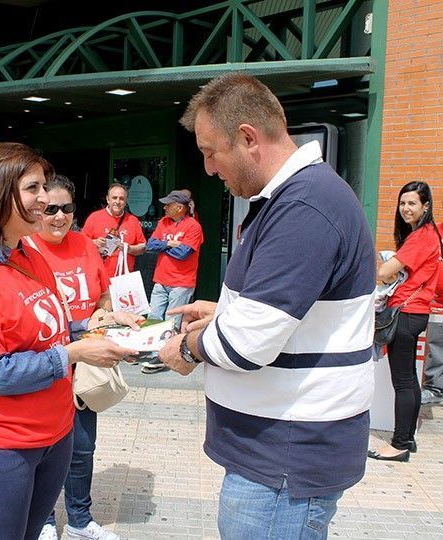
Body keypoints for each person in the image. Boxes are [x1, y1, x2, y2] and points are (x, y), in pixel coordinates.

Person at [158, 74, 376, 539]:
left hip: (284, 460)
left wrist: (190, 348)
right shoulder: (297, 199)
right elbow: (288, 315)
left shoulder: (304, 207)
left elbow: (246, 344)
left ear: (248, 138)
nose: (210, 168)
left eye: (209, 151)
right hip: (278, 455)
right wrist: (223, 313)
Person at [0, 142, 137, 540]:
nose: (45, 199)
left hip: (53, 437)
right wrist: (75, 352)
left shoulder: (29, 255)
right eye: (33, 189)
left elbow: (48, 330)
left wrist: (100, 325)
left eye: (44, 188)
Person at [29, 175, 138, 540]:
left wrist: (105, 319)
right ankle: (43, 521)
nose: (59, 217)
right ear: (36, 210)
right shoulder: (24, 249)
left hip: (86, 364)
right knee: (43, 448)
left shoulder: (85, 245)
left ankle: (79, 520)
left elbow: (103, 296)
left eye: (67, 209)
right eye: (50, 209)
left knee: (82, 447)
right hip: (45, 363)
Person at [369, 182, 441, 460]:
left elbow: (385, 271)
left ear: (426, 206)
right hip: (415, 313)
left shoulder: (422, 236)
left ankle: (399, 445)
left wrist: (387, 274)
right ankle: (406, 439)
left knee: (403, 380)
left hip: (407, 313)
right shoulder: (424, 235)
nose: (406, 208)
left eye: (412, 203)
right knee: (409, 379)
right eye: (402, 203)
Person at [139, 189, 204, 374]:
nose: (165, 207)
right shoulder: (163, 222)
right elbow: (150, 245)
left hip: (181, 282)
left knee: (171, 322)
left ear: (180, 207)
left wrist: (164, 247)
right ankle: (154, 352)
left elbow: (184, 254)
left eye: (168, 204)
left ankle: (164, 356)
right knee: (154, 317)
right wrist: (169, 244)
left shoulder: (193, 226)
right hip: (161, 279)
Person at [82, 183, 146, 277]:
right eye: (114, 198)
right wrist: (94, 243)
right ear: (108, 199)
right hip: (99, 276)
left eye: (121, 198)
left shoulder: (133, 220)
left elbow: (142, 247)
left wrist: (129, 249)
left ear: (126, 201)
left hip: (124, 278)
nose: (118, 201)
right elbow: (81, 244)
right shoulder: (94, 218)